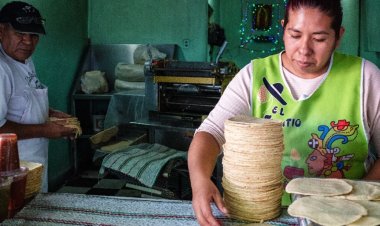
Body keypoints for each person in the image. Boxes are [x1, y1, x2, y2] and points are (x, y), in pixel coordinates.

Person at [188, 0, 380, 225]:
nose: (304, 50)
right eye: (295, 35)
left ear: (338, 36)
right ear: (283, 28)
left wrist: (356, 199)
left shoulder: (365, 78)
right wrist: (199, 180)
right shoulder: (256, 77)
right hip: (263, 213)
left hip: (345, 216)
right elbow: (210, 133)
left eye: (319, 39)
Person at [0, 1, 77, 192]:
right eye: (20, 34)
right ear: (1, 30)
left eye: (33, 35)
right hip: (9, 171)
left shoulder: (24, 59)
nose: (28, 41)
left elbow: (23, 100)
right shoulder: (2, 70)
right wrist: (45, 130)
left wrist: (51, 113)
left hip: (32, 162)